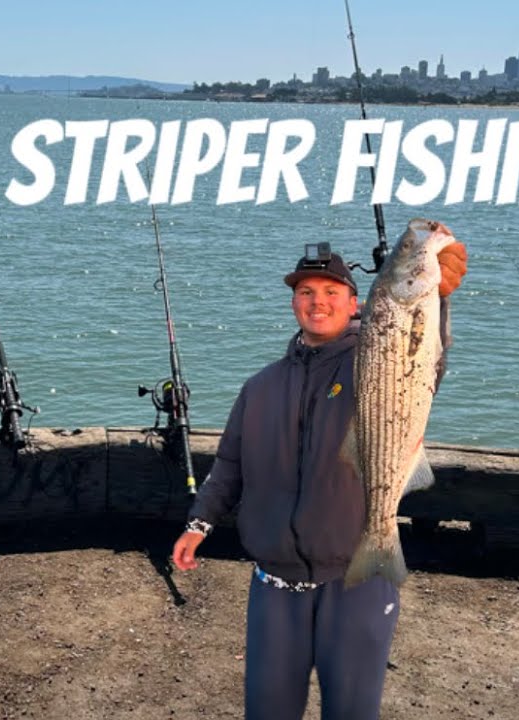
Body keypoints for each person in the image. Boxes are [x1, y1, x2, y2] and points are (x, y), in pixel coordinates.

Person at [171, 237, 468, 720]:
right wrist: (198, 523)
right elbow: (229, 465)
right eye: (306, 292)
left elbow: (424, 356)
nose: (318, 302)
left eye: (331, 291)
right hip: (274, 586)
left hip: (356, 583)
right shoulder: (260, 387)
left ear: (355, 303)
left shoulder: (373, 365)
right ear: (294, 303)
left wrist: (439, 296)